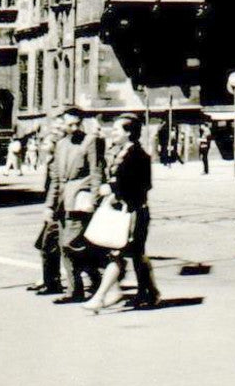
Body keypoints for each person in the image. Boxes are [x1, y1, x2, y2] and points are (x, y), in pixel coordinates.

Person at [83, 114, 160, 313]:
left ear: (128, 133)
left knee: (117, 254)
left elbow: (143, 185)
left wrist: (114, 191)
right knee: (136, 255)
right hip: (126, 211)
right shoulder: (122, 152)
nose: (112, 133)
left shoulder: (138, 155)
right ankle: (150, 292)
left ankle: (100, 297)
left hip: (133, 212)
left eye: (117, 130)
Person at [44, 107, 104, 304]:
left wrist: (95, 200)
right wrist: (49, 205)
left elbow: (96, 171)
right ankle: (77, 289)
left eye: (77, 124)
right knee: (64, 246)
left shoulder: (90, 141)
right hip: (63, 201)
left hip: (80, 199)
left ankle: (97, 279)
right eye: (70, 124)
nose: (74, 128)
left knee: (70, 243)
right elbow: (55, 177)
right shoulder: (61, 144)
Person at [28, 124, 64, 296]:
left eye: (46, 142)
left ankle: (51, 282)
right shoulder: (51, 160)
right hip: (53, 208)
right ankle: (48, 279)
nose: (43, 146)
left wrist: (51, 207)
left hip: (58, 209)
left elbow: (56, 187)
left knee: (48, 244)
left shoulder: (56, 162)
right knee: (46, 244)